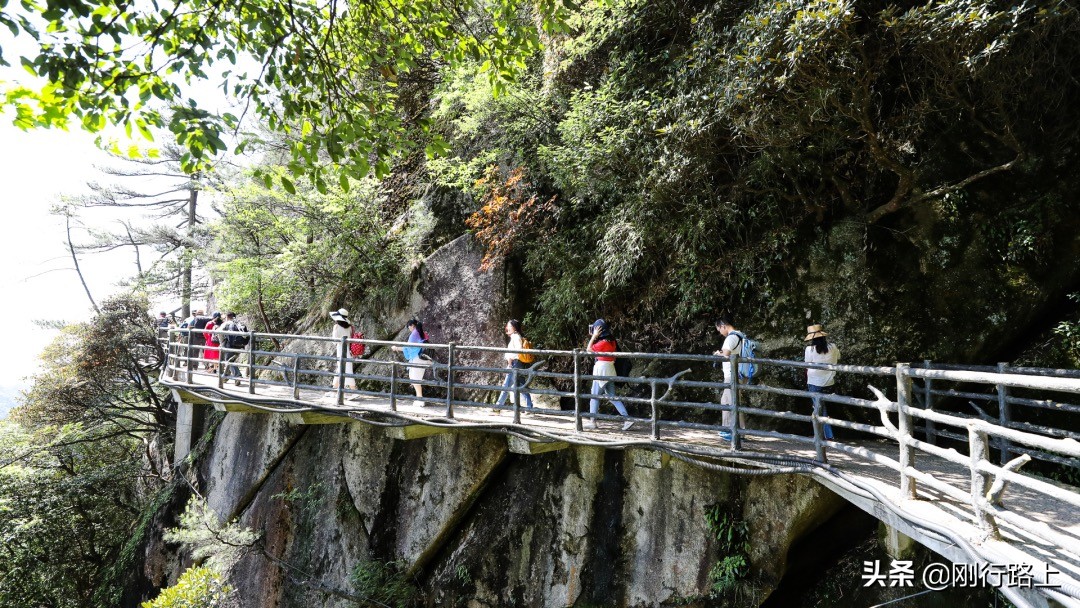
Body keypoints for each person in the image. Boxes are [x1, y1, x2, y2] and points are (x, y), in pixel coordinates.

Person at [585, 319, 633, 431]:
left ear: (599, 331)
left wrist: (593, 337)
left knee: (594, 396)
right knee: (612, 396)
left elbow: (588, 350)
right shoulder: (612, 341)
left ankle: (593, 421)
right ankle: (627, 419)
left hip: (601, 370)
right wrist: (596, 336)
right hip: (610, 369)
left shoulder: (602, 343)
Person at [713, 315, 748, 441]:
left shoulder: (731, 337)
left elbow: (726, 354)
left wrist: (718, 353)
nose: (720, 333)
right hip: (739, 374)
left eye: (719, 330)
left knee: (727, 402)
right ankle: (740, 432)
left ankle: (729, 431)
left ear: (723, 326)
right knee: (734, 402)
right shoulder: (741, 335)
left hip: (732, 375)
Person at [804, 324, 838, 440]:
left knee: (819, 408)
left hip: (814, 383)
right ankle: (823, 434)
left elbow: (807, 364)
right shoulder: (833, 347)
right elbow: (838, 357)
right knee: (822, 408)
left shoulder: (810, 349)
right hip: (829, 383)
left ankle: (826, 435)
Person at [494, 319, 533, 410]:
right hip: (516, 363)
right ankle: (529, 407)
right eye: (507, 326)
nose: (507, 328)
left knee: (506, 385)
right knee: (520, 385)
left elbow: (518, 351)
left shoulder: (516, 337)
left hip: (514, 364)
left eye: (509, 326)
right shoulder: (515, 337)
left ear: (514, 328)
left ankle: (498, 407)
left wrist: (510, 360)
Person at [393, 319, 431, 407]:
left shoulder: (414, 334)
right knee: (417, 379)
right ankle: (419, 398)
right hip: (423, 358)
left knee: (415, 379)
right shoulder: (422, 333)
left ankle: (420, 399)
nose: (409, 329)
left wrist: (396, 348)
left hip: (417, 358)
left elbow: (408, 348)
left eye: (408, 327)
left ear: (412, 326)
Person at [329, 308, 358, 390]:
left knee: (344, 367)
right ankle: (335, 387)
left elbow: (334, 341)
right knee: (344, 367)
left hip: (340, 348)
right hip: (348, 349)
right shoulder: (349, 327)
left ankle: (353, 388)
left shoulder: (336, 326)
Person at [219, 312, 248, 385]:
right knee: (231, 360)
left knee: (229, 361)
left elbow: (220, 333)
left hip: (230, 345)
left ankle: (237, 376)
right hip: (240, 345)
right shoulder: (239, 324)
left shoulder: (226, 323)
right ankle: (226, 377)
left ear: (227, 317)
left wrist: (222, 344)